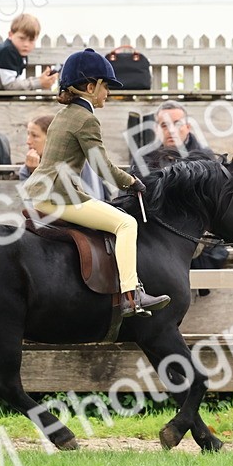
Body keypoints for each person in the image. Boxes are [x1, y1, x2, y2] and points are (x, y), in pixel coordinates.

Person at [22, 48, 170, 318]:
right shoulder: (86, 119)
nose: (108, 93)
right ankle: (131, 296)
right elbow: (102, 167)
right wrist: (132, 182)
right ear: (90, 87)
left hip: (44, 192)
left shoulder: (64, 114)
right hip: (58, 196)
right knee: (127, 224)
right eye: (106, 86)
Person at [138, 101, 228, 291]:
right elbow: (135, 198)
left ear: (187, 126)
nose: (171, 130)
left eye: (177, 124)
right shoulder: (144, 159)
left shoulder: (205, 158)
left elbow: (214, 205)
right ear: (156, 129)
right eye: (164, 125)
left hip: (195, 236)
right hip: (156, 235)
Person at [17, 113, 104, 199]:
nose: (28, 141)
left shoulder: (80, 163)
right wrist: (34, 174)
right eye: (28, 134)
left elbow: (94, 199)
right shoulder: (27, 169)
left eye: (34, 136)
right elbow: (30, 205)